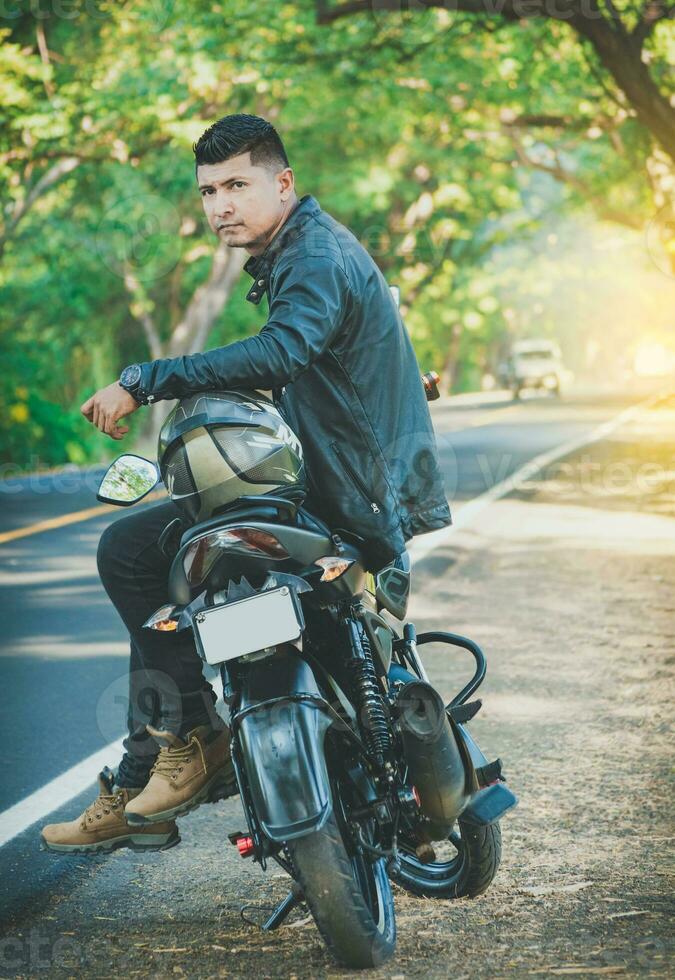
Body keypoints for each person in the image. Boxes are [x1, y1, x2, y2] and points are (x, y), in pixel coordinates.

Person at [41, 113, 451, 853]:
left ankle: (186, 742)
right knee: (172, 559)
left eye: (237, 184)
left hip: (346, 492)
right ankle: (160, 759)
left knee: (133, 552)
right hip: (347, 481)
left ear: (282, 182)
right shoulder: (309, 249)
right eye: (207, 192)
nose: (220, 205)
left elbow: (281, 351)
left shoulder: (313, 254)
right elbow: (327, 355)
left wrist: (146, 378)